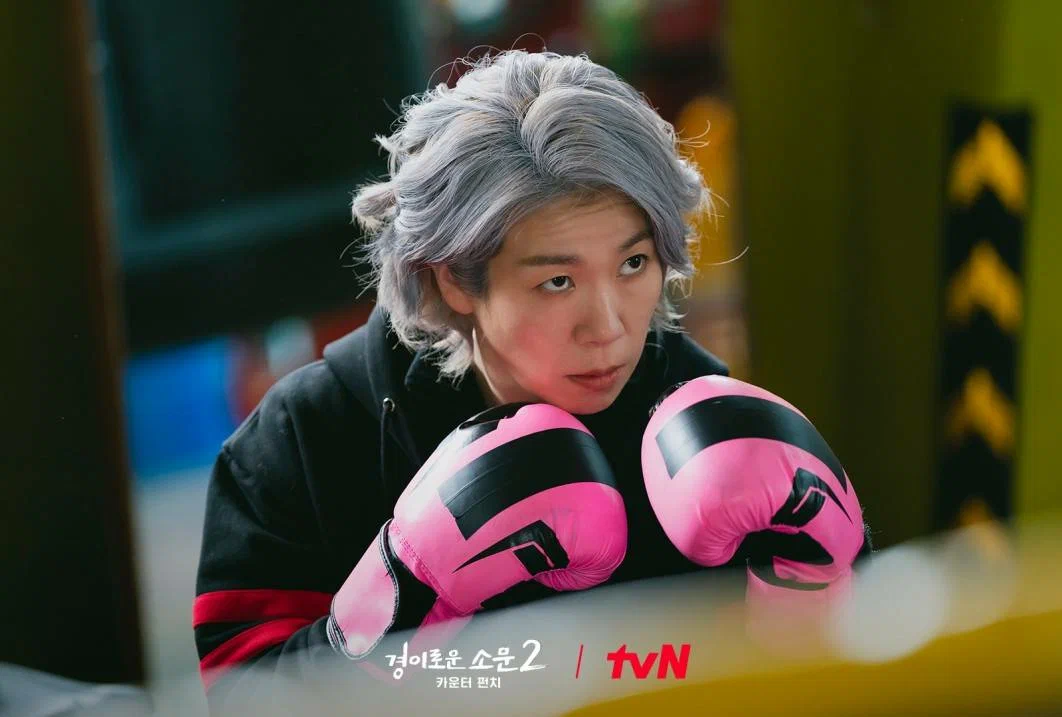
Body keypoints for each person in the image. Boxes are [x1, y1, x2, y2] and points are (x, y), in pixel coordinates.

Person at [192, 49, 866, 712]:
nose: (608, 327)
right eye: (558, 281)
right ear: (453, 278)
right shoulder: (307, 438)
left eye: (633, 264)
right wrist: (403, 590)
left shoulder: (720, 440)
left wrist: (822, 600)